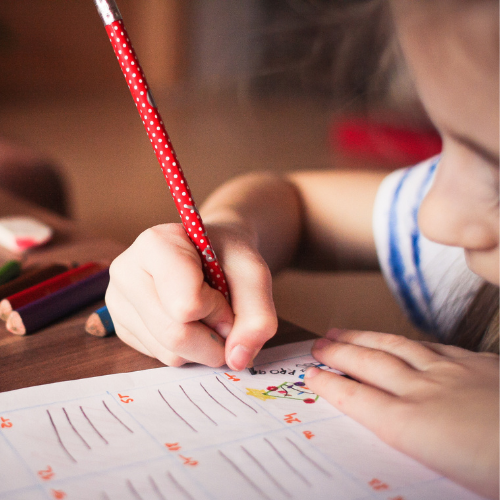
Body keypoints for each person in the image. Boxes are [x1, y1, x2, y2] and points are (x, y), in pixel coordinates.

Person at [105, 0, 499, 497]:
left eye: (495, 171)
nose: (432, 215)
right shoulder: (462, 230)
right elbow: (295, 203)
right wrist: (230, 231)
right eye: (444, 144)